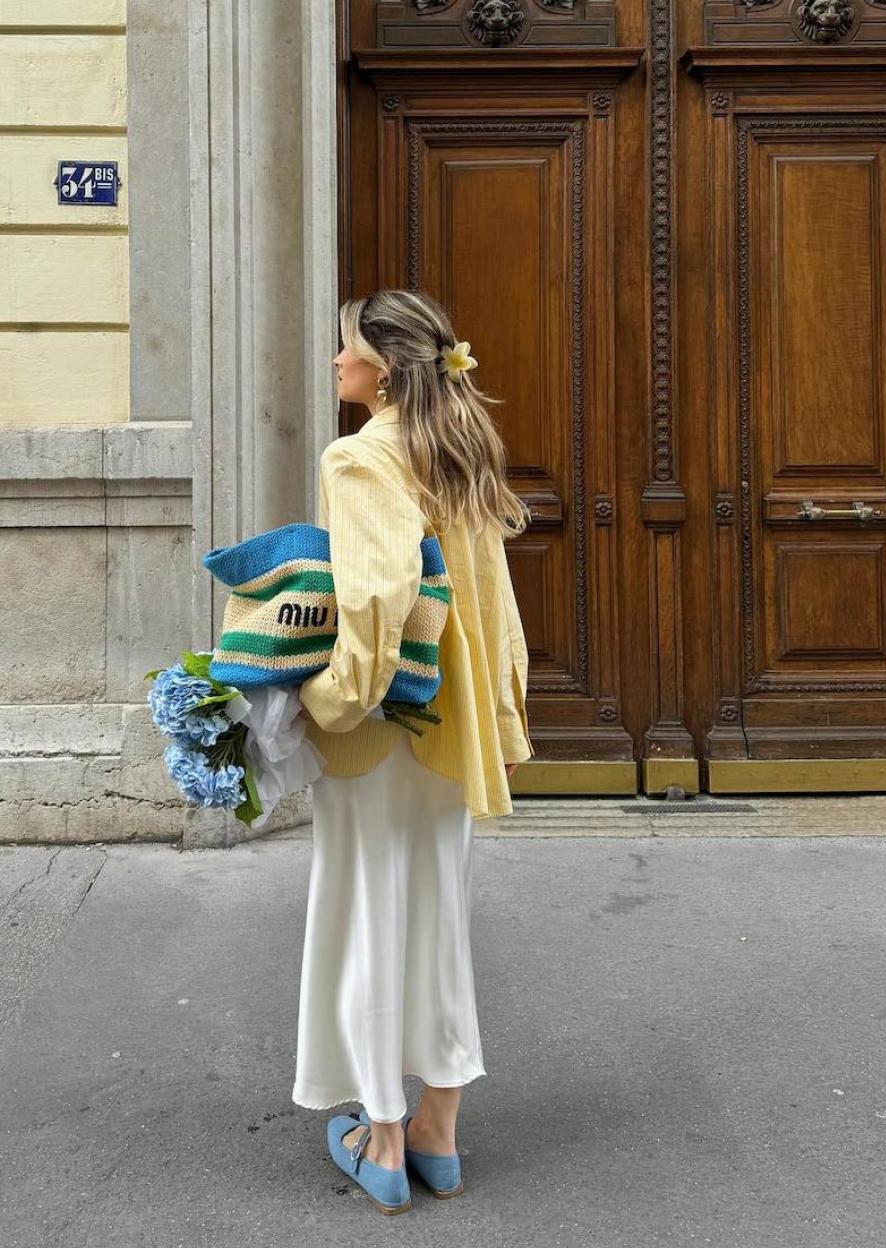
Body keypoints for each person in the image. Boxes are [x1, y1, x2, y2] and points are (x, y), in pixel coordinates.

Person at [290, 289, 534, 1214]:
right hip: (454, 733)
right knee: (434, 917)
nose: (335, 362)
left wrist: (328, 702)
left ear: (382, 370)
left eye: (343, 347)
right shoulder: (457, 448)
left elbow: (378, 600)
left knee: (365, 917)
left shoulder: (360, 457)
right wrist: (506, 718)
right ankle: (439, 1131)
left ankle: (382, 1141)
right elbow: (495, 599)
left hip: (383, 731)